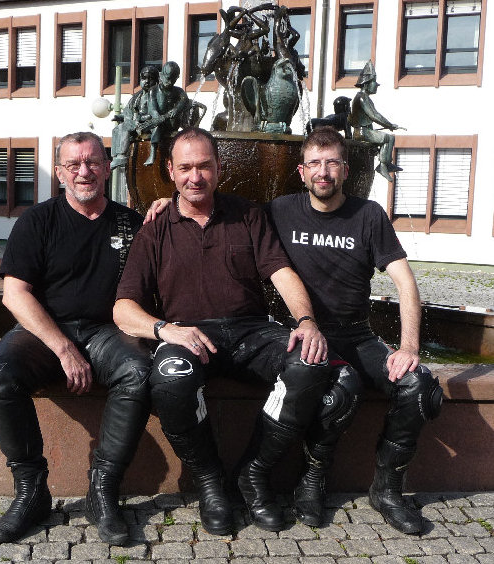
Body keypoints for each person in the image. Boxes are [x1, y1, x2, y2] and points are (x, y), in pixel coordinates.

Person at [114, 127, 331, 535]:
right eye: (185, 168)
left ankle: (254, 472)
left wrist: (306, 322)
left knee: (309, 363)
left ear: (219, 167)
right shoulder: (155, 227)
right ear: (170, 171)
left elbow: (282, 274)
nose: (195, 177)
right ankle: (210, 480)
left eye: (204, 166)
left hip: (251, 331)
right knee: (169, 378)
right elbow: (123, 309)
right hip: (187, 335)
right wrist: (165, 330)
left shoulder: (248, 214)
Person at [0, 132, 152, 545]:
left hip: (108, 332)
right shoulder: (37, 220)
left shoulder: (131, 224)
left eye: (92, 162)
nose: (83, 172)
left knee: (140, 372)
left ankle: (102, 490)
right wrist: (62, 348)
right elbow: (14, 295)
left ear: (106, 168)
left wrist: (165, 204)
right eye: (73, 164)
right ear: (59, 173)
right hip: (45, 331)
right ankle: (31, 492)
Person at [267, 126, 442, 534]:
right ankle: (311, 480)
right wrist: (170, 201)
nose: (323, 171)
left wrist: (408, 347)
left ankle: (387, 490)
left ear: (345, 170)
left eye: (332, 163)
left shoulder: (369, 216)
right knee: (339, 391)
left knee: (418, 386)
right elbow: (223, 214)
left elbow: (406, 283)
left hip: (356, 336)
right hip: (302, 335)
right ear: (301, 171)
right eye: (314, 163)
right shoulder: (280, 210)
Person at [349, 60, 404, 181]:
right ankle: (383, 166)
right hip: (362, 133)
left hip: (365, 131)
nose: (376, 86)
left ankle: (386, 163)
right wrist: (389, 125)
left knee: (389, 138)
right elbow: (374, 115)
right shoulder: (362, 97)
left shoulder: (364, 97)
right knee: (388, 138)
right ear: (367, 83)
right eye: (374, 83)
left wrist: (389, 125)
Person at [111, 65, 159, 168]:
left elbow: (154, 114)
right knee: (116, 129)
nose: (147, 81)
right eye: (144, 78)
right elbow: (128, 111)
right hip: (135, 121)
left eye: (150, 79)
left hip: (147, 124)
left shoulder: (156, 95)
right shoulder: (137, 96)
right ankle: (115, 157)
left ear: (156, 81)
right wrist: (120, 116)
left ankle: (122, 157)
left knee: (123, 127)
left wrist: (141, 118)